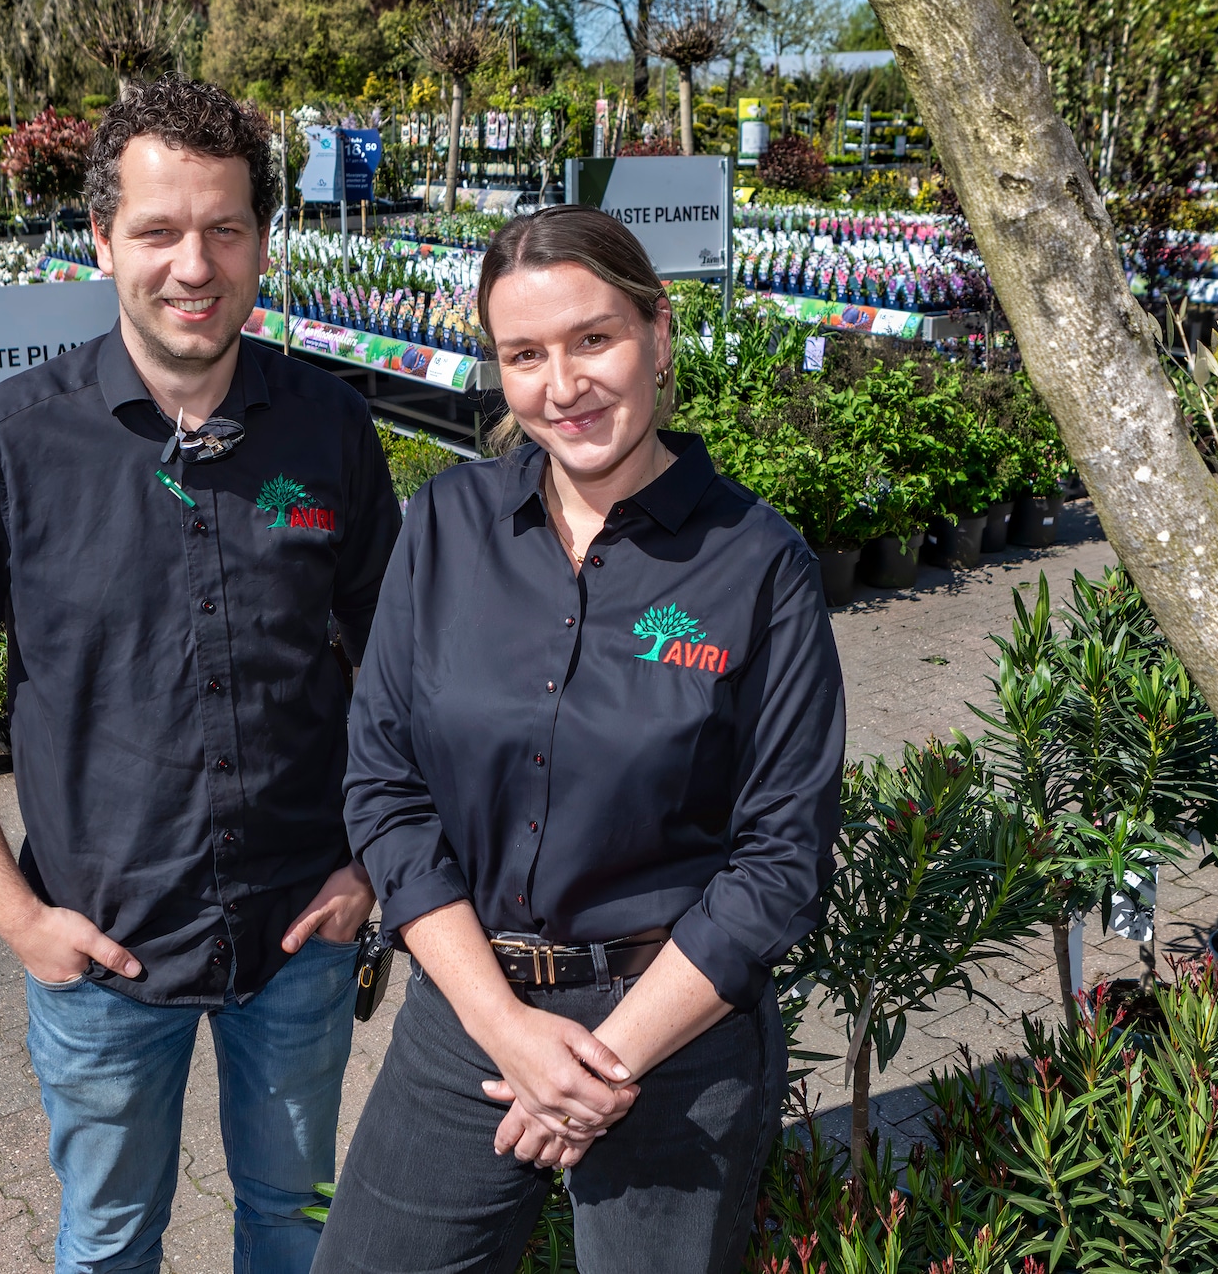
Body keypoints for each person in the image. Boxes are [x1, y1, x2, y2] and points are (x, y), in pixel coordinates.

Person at [0, 75, 400, 1274]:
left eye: (223, 228)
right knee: (109, 1238)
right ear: (103, 239)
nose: (193, 265)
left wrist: (372, 861)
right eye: (159, 231)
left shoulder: (329, 430)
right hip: (102, 947)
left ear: (263, 238)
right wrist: (11, 911)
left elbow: (398, 659)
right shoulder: (5, 446)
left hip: (298, 934)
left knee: (295, 1221)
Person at [310, 206, 846, 1274]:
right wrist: (512, 1035)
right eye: (525, 355)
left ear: (657, 331)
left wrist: (597, 1069)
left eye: (592, 339)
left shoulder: (754, 561)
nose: (563, 386)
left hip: (674, 1034)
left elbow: (780, 862)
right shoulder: (450, 526)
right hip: (471, 1007)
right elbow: (385, 789)